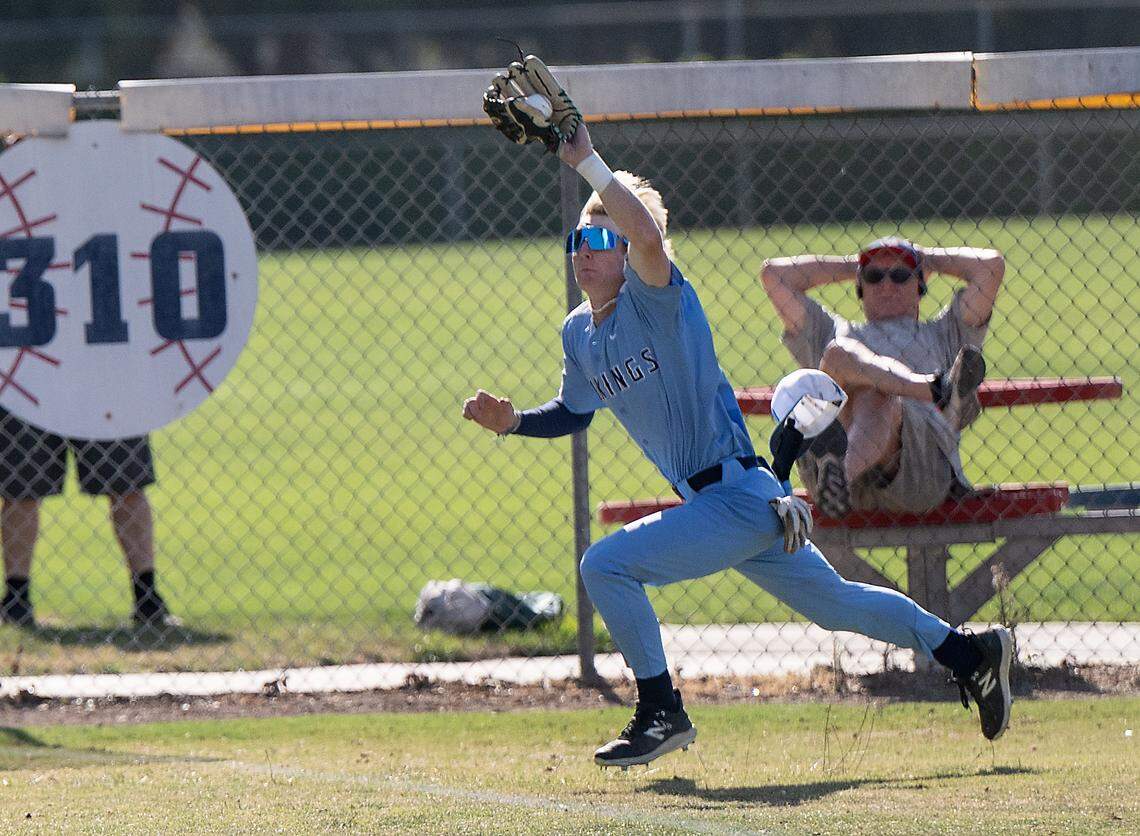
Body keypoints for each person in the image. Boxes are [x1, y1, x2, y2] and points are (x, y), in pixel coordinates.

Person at [463, 120, 1013, 768]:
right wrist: (515, 423)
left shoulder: (658, 299)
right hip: (741, 502)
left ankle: (661, 709)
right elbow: (574, 412)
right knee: (838, 606)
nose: (587, 249)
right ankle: (969, 654)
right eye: (580, 237)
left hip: (735, 496)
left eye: (603, 237)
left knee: (604, 566)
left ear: (628, 250)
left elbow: (645, 234)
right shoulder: (578, 333)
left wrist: (586, 160)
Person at [760, 239, 1005, 517]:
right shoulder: (832, 331)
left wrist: (928, 259)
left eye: (900, 276)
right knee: (838, 353)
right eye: (874, 277)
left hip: (920, 473)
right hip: (840, 481)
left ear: (920, 285)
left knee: (878, 397)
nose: (887, 285)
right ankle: (937, 391)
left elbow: (991, 268)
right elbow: (774, 276)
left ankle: (840, 473)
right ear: (860, 287)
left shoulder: (942, 333)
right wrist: (856, 264)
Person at [0, 409, 177, 629]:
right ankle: (16, 600)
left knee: (127, 484)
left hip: (104, 386)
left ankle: (147, 599)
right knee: (21, 489)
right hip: (31, 384)